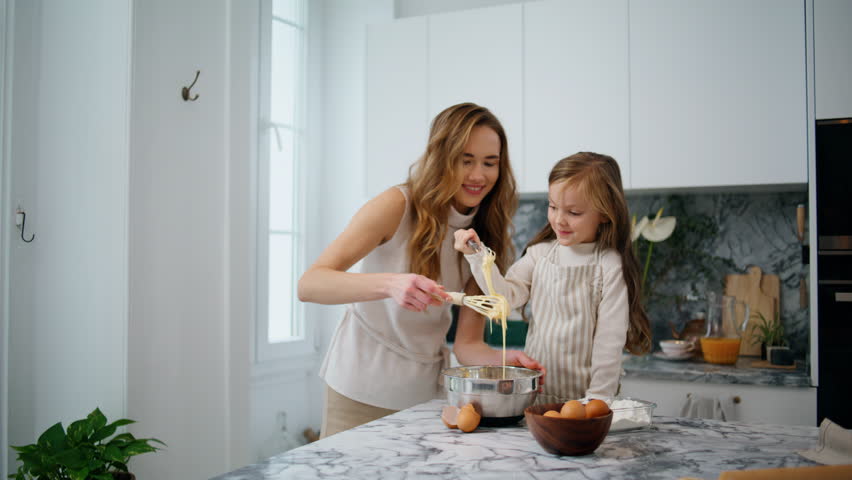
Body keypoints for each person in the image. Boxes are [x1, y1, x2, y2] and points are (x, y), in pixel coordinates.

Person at [298, 102, 544, 438]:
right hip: (359, 388)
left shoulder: (484, 235)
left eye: (490, 163)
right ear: (442, 158)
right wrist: (391, 284)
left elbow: (467, 344)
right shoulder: (396, 205)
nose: (478, 175)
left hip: (424, 396)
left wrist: (508, 359)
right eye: (465, 160)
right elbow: (310, 284)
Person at [454, 152, 651, 402]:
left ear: (604, 213)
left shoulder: (609, 266)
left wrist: (598, 399)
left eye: (574, 212)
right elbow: (505, 297)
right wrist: (477, 255)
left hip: (584, 402)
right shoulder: (540, 255)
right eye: (553, 207)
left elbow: (609, 342)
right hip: (535, 398)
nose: (559, 220)